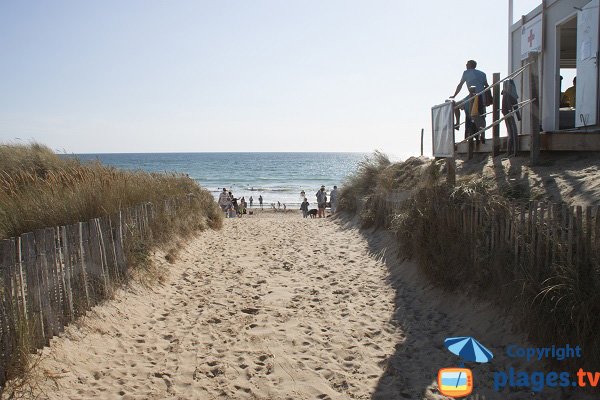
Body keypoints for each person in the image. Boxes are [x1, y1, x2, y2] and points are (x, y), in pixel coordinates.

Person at [450, 60, 489, 143]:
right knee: (480, 116)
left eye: (467, 64)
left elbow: (460, 85)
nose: (465, 65)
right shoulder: (482, 73)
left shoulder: (466, 72)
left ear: (470, 65)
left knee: (455, 105)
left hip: (472, 97)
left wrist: (454, 95)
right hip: (482, 97)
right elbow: (486, 85)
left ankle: (457, 123)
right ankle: (482, 135)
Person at [502, 79, 521, 157]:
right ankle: (510, 152)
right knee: (512, 133)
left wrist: (518, 116)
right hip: (507, 114)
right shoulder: (506, 93)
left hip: (509, 114)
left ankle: (513, 152)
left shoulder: (511, 93)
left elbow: (515, 105)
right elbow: (508, 105)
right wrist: (511, 112)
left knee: (513, 133)